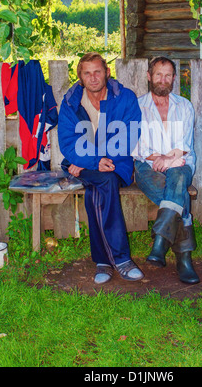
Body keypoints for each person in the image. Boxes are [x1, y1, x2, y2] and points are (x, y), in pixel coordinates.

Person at [58, 52, 144, 284]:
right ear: (80, 77)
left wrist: (96, 159)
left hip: (117, 163)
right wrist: (94, 161)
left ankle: (104, 261)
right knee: (101, 184)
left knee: (98, 188)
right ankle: (120, 259)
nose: (93, 77)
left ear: (106, 72)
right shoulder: (71, 103)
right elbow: (68, 141)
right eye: (87, 73)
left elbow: (129, 134)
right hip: (86, 164)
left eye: (97, 71)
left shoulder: (125, 98)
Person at [133, 56, 199, 284]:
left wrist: (169, 161)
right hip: (146, 166)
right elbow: (138, 148)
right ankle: (183, 260)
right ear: (149, 77)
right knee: (179, 193)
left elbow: (184, 146)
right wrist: (159, 159)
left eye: (168, 75)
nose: (163, 79)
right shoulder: (137, 106)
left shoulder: (184, 106)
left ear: (174, 78)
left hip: (179, 164)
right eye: (158, 74)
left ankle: (161, 242)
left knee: (178, 177)